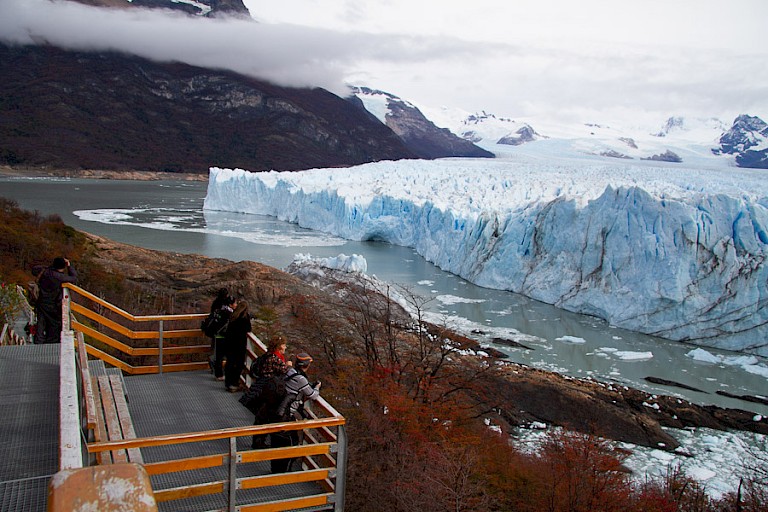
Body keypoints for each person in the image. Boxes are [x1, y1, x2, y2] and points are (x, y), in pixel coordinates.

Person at [269, 352, 322, 473]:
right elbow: (312, 395)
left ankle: (276, 470)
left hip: (277, 410)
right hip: (287, 415)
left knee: (277, 442)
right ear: (306, 365)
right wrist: (317, 387)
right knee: (292, 443)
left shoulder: (290, 371)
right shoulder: (301, 379)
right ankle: (284, 472)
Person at [247, 335, 292, 449]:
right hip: (270, 390)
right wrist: (289, 366)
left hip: (263, 387)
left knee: (261, 416)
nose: (285, 346)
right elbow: (285, 371)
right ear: (279, 346)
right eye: (284, 344)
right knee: (265, 416)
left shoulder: (268, 355)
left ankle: (258, 441)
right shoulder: (275, 358)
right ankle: (260, 442)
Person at [35, 257, 77, 344]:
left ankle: (38, 342)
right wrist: (69, 266)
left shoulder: (44, 272)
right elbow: (73, 278)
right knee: (54, 324)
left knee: (41, 322)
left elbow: (34, 269)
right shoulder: (59, 277)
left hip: (41, 301)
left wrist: (50, 266)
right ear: (63, 266)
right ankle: (51, 342)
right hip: (53, 304)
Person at [223, 300, 251, 392]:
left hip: (229, 343)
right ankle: (234, 383)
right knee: (238, 364)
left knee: (230, 363)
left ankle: (228, 383)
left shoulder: (233, 316)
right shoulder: (245, 317)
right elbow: (248, 329)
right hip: (239, 344)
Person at [211, 295, 236, 381]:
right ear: (230, 304)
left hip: (218, 335)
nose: (236, 304)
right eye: (235, 303)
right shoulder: (229, 313)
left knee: (219, 356)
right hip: (225, 337)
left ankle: (218, 374)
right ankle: (224, 375)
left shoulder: (220, 310)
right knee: (228, 356)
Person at [206, 288, 230, 377]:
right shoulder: (225, 305)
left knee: (216, 351)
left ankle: (216, 367)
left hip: (216, 331)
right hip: (222, 332)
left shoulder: (216, 303)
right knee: (220, 353)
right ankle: (219, 370)